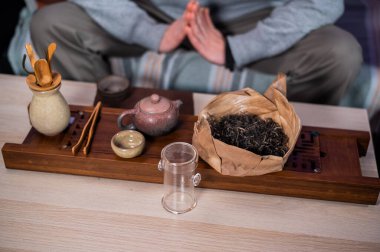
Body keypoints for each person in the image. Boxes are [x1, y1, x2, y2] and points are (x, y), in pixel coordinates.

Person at [30, 0, 362, 105]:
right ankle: (101, 127)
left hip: (251, 21)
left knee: (340, 52)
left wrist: (237, 48)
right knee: (50, 23)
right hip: (150, 12)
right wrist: (150, 32)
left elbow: (323, 2)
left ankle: (279, 136)